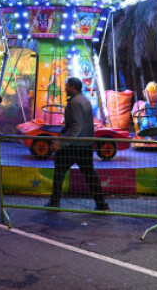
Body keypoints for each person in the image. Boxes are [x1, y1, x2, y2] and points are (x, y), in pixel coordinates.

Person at [45, 77, 109, 211]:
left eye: (67, 85)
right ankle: (101, 203)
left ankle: (55, 201)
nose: (65, 88)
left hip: (74, 145)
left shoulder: (74, 102)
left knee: (60, 170)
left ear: (72, 87)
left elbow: (76, 127)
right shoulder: (84, 100)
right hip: (85, 145)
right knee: (90, 174)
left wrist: (61, 143)